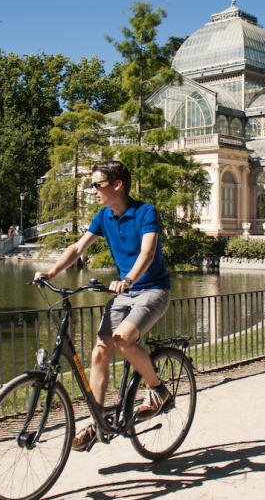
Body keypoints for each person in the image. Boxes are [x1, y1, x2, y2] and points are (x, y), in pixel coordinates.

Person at [34, 160, 172, 450]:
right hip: (124, 293)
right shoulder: (103, 216)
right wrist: (50, 273)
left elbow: (147, 252)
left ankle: (158, 390)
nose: (93, 190)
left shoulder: (145, 212)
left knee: (122, 339)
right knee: (99, 351)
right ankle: (98, 423)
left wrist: (129, 278)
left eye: (97, 184)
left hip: (152, 290)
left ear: (117, 185)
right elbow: (77, 248)